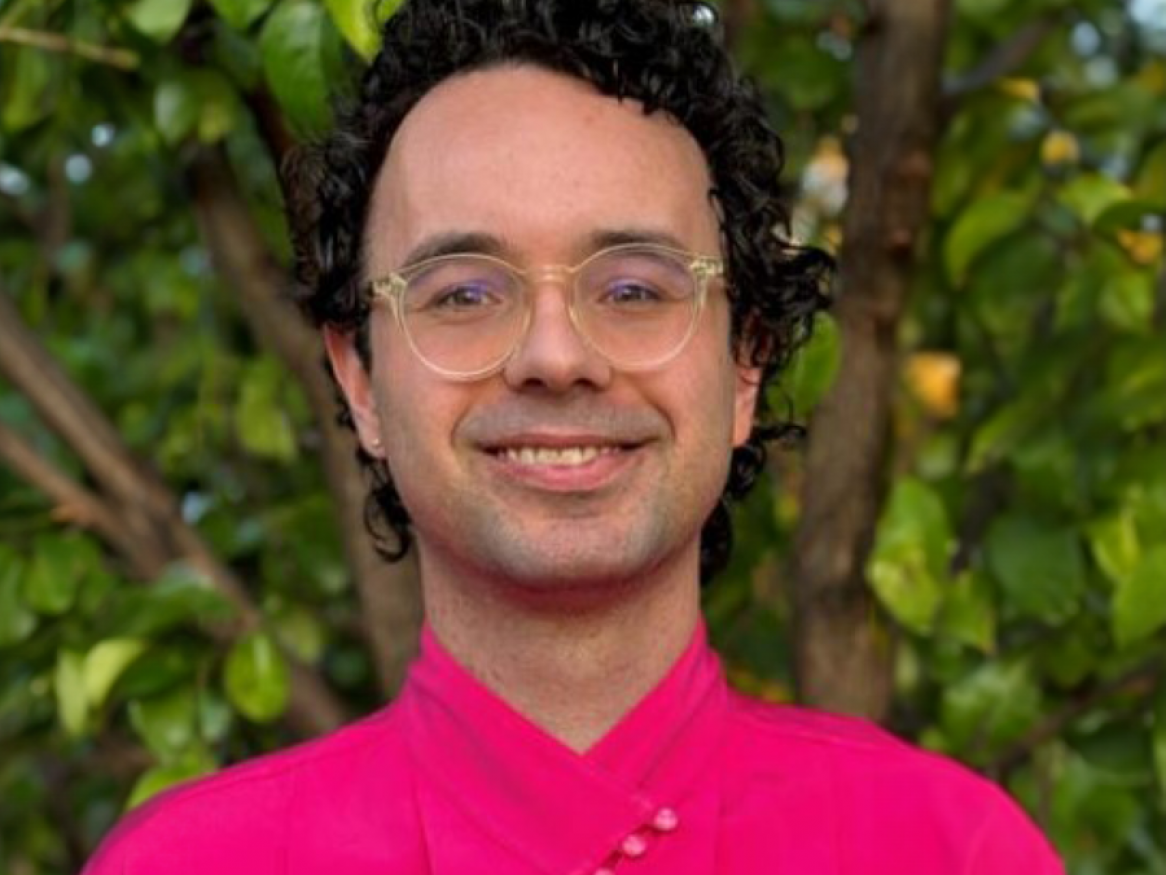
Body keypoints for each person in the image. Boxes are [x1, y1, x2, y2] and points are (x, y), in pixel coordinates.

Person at [85, 1, 1065, 872]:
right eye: (464, 292)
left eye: (633, 288)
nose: (555, 355)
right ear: (362, 379)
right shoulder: (183, 865)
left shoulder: (951, 850)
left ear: (745, 364)